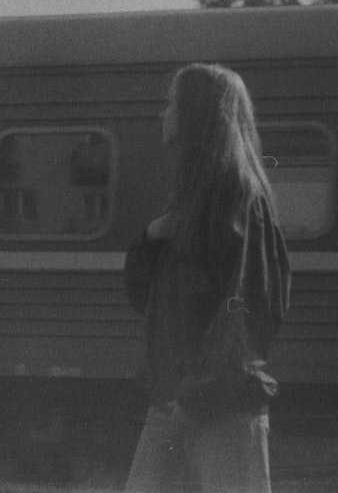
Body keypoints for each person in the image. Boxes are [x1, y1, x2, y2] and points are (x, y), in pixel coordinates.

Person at [123, 62, 291, 493]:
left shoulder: (239, 194)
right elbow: (146, 299)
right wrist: (150, 237)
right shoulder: (189, 198)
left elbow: (248, 304)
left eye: (171, 103)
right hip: (176, 397)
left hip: (218, 402)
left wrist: (198, 392)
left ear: (196, 114)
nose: (163, 114)